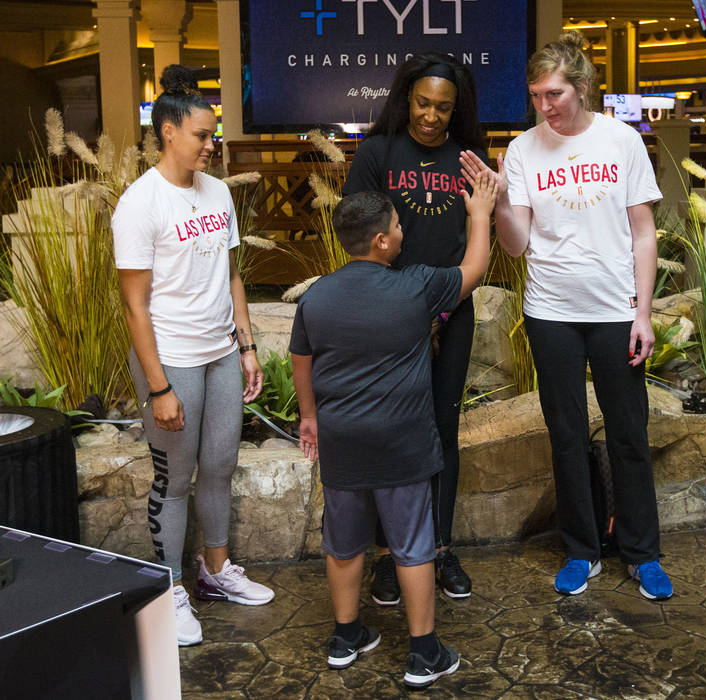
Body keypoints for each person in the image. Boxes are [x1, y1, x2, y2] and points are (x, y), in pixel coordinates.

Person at [459, 31, 672, 601]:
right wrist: (501, 198)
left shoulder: (621, 140)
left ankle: (642, 552)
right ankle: (581, 550)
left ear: (580, 88)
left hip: (615, 309)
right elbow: (517, 245)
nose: (544, 106)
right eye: (535, 95)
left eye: (553, 94)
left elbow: (643, 232)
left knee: (628, 432)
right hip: (550, 311)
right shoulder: (526, 149)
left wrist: (644, 314)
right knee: (566, 433)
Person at [289, 178, 495, 686]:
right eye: (398, 225)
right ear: (382, 240)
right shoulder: (416, 286)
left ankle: (345, 637)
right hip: (402, 443)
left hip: (343, 442)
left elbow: (301, 357)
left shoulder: (315, 298)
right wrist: (481, 212)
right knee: (412, 544)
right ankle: (424, 652)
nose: (403, 232)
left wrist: (310, 415)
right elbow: (474, 269)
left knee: (342, 543)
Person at [113, 64, 275, 648]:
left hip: (221, 353)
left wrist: (248, 345)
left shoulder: (217, 192)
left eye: (213, 134)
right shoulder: (139, 204)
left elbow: (232, 274)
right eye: (203, 135)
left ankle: (215, 570)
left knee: (221, 466)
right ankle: (171, 588)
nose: (212, 144)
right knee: (174, 478)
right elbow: (135, 307)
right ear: (168, 132)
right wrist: (157, 386)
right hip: (173, 358)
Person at [342, 53, 487, 604]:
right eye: (423, 103)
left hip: (452, 313)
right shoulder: (377, 152)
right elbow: (356, 231)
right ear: (407, 98)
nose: (431, 116)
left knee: (441, 434)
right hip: (388, 315)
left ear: (457, 110)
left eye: (443, 107)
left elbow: (479, 236)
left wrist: (438, 310)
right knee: (390, 434)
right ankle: (388, 557)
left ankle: (439, 549)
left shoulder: (468, 159)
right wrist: (404, 308)